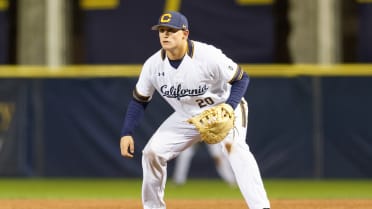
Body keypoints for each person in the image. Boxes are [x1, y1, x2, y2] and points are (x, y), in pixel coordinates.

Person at [120, 11, 270, 209]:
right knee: (152, 153)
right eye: (161, 30)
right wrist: (127, 132)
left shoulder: (208, 55)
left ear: (185, 33)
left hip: (223, 108)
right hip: (187, 117)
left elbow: (242, 78)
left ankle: (261, 206)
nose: (165, 35)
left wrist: (229, 107)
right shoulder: (153, 65)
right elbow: (139, 100)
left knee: (234, 148)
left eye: (171, 30)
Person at [172, 143, 237, 187]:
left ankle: (231, 180)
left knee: (218, 157)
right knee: (184, 155)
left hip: (210, 129)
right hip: (196, 129)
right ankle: (178, 181)